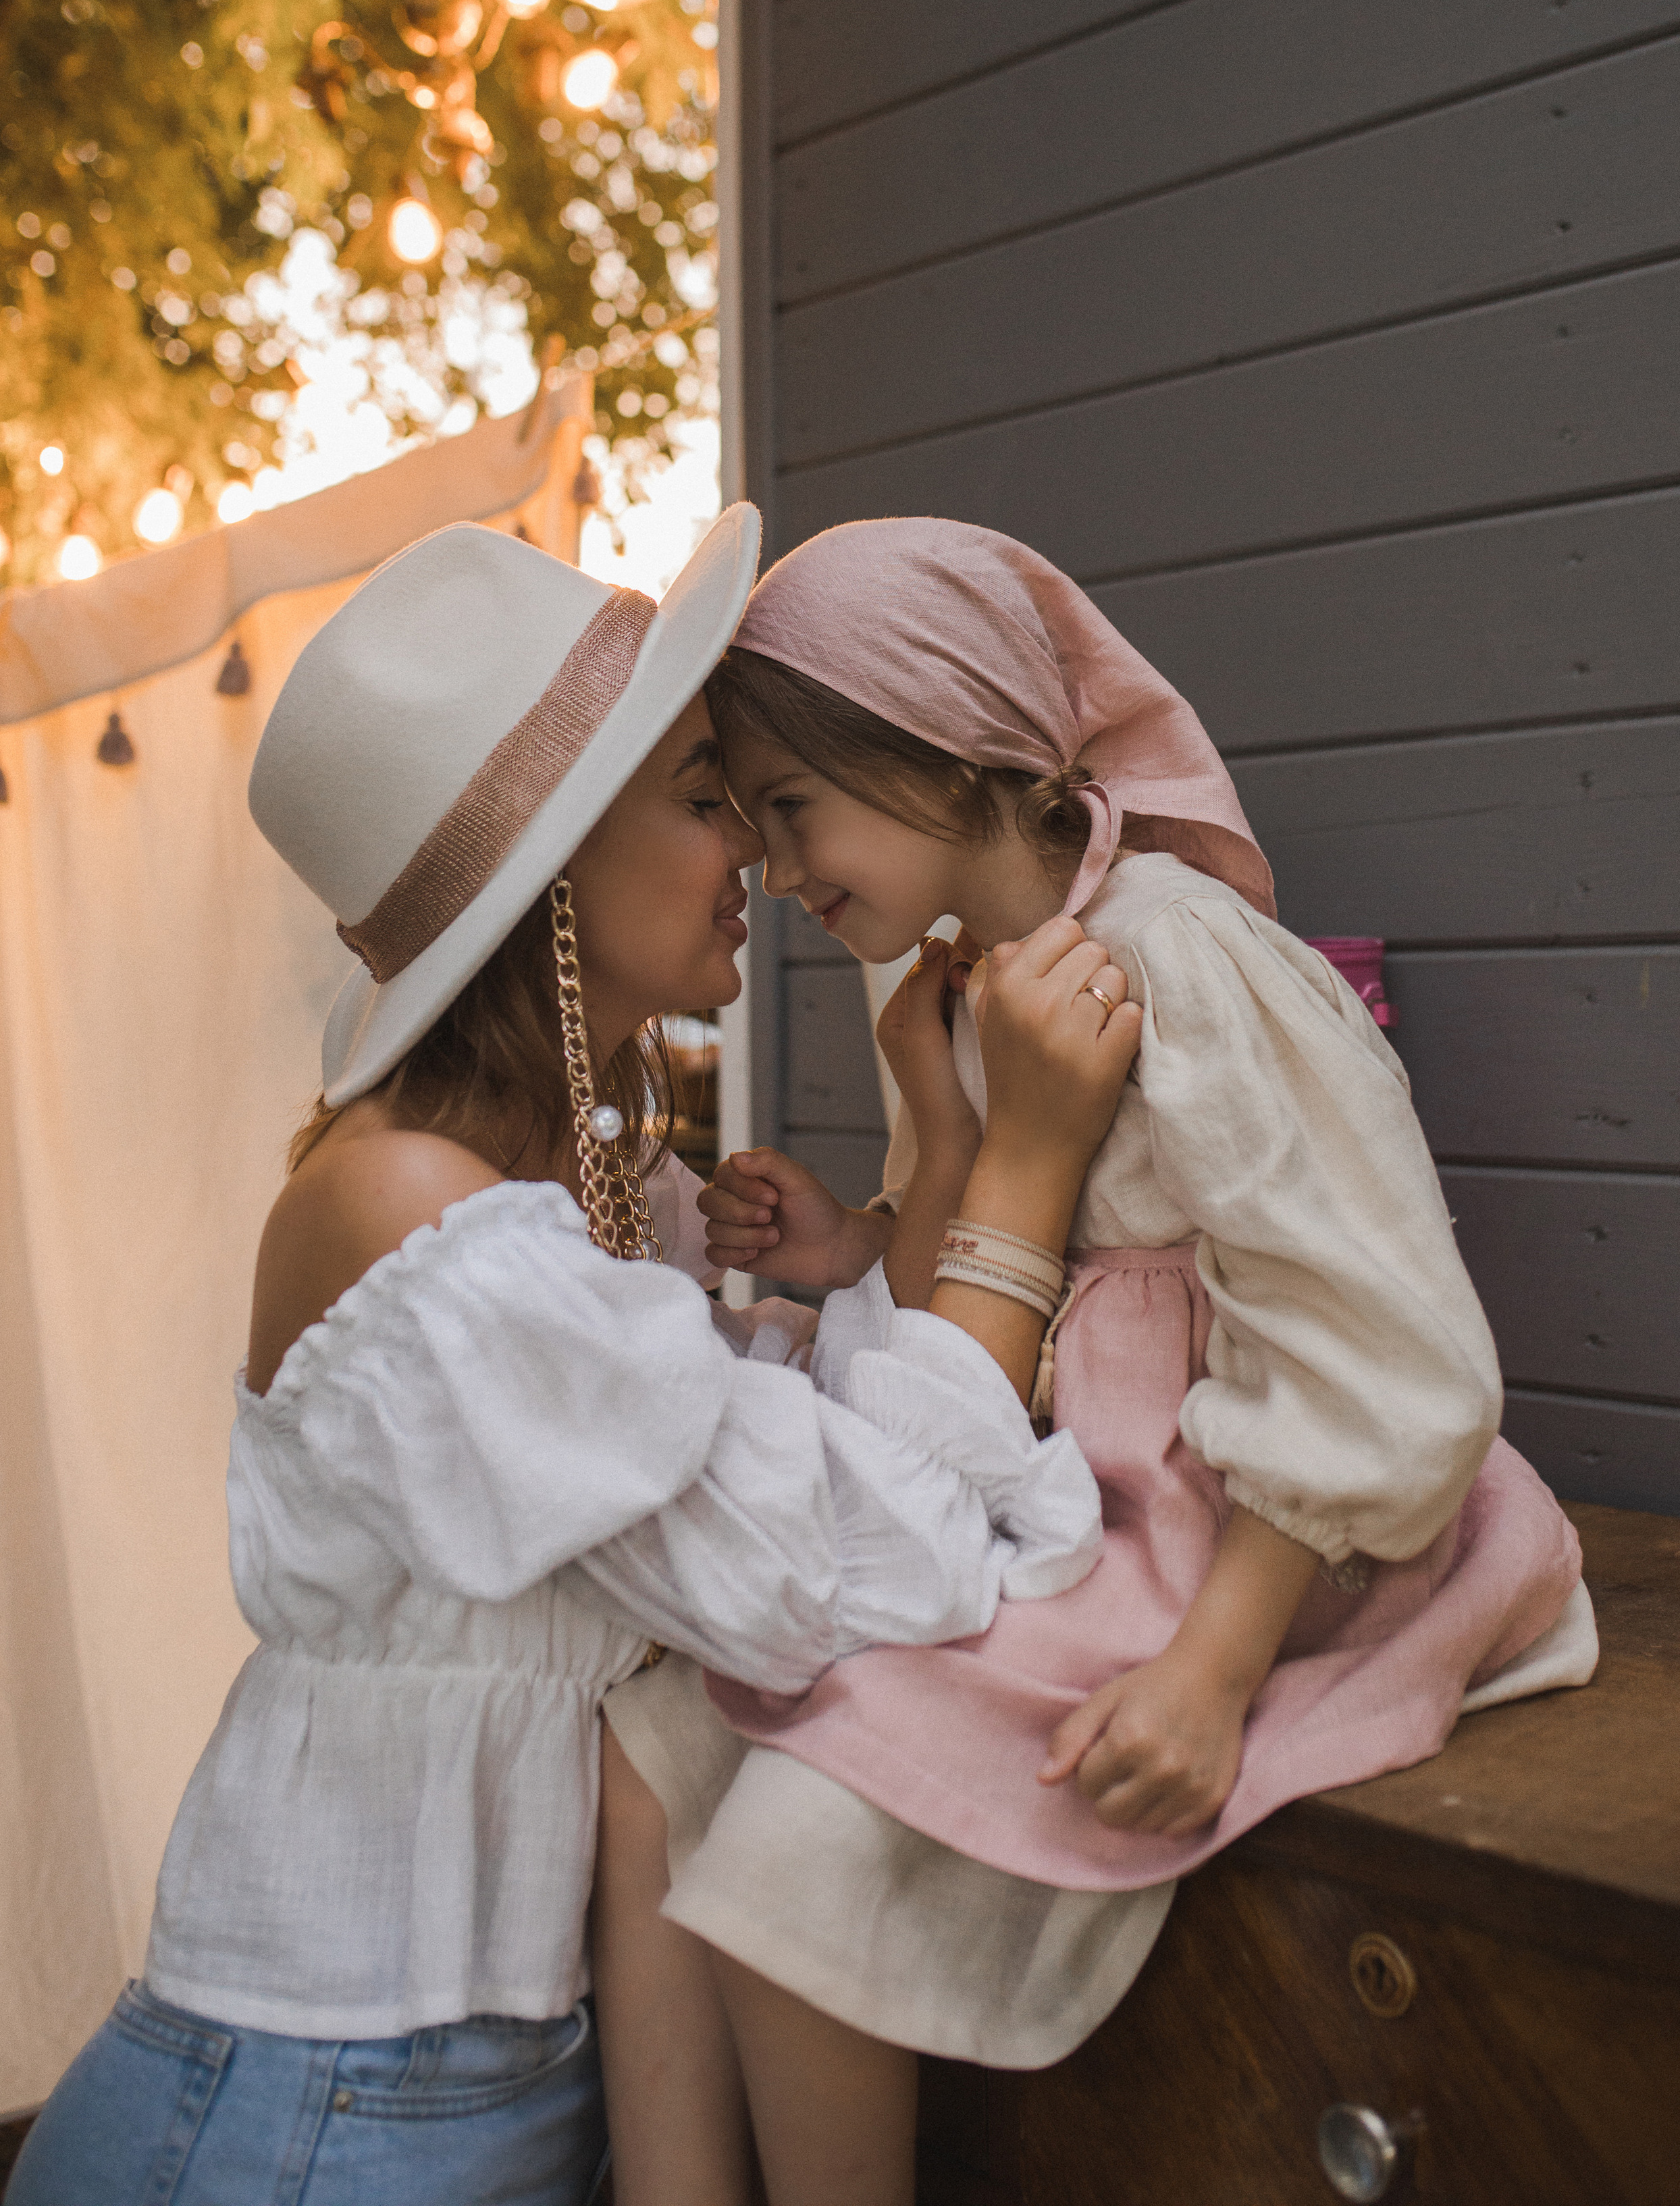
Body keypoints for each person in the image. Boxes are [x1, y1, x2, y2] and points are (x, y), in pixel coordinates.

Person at [9, 505, 1141, 2206]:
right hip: (316, 2112)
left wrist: (932, 1134)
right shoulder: (414, 1217)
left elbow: (834, 1453)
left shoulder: (609, 1205)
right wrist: (1027, 1178)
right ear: (548, 866)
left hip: (490, 2087)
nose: (753, 855)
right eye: (702, 798)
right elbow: (857, 1563)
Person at [598, 514, 1599, 2192]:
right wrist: (883, 1194)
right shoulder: (952, 982)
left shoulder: (1182, 958)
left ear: (944, 746)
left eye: (789, 806)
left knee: (795, 1844)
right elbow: (979, 1287)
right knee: (662, 1744)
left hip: (1243, 1539)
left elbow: (1368, 1334)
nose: (768, 867)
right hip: (1065, 1499)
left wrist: (1208, 1676)